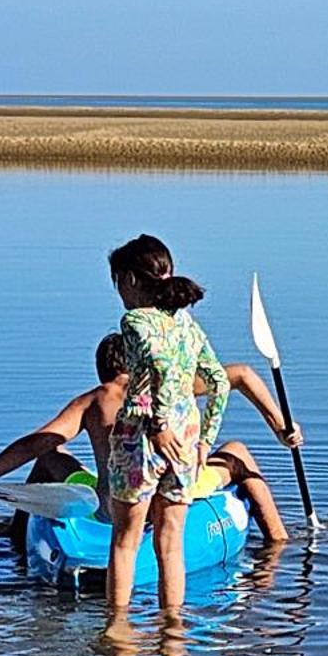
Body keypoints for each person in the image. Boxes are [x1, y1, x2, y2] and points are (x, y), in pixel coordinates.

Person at [0, 333, 302, 544]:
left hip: (111, 509)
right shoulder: (168, 383)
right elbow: (241, 374)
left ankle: (17, 535)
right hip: (166, 503)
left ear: (101, 372)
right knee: (237, 451)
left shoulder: (93, 400)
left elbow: (35, 442)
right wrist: (281, 426)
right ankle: (278, 540)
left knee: (49, 457)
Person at [104, 235, 231, 619]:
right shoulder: (186, 324)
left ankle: (118, 631)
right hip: (187, 442)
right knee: (171, 544)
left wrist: (157, 424)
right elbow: (219, 382)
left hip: (142, 441)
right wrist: (206, 441)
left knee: (125, 542)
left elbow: (154, 368)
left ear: (128, 279)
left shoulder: (135, 321)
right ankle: (172, 631)